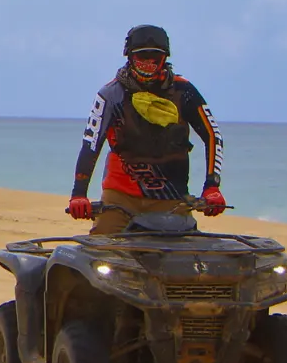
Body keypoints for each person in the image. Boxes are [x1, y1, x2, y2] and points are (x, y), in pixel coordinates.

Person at [68, 24, 225, 235]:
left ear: (164, 58)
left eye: (154, 58)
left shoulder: (184, 92)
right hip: (120, 198)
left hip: (171, 199)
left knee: (181, 260)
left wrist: (212, 187)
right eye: (142, 57)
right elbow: (91, 144)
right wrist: (79, 194)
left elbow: (213, 136)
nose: (148, 64)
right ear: (130, 57)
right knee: (101, 249)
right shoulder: (111, 94)